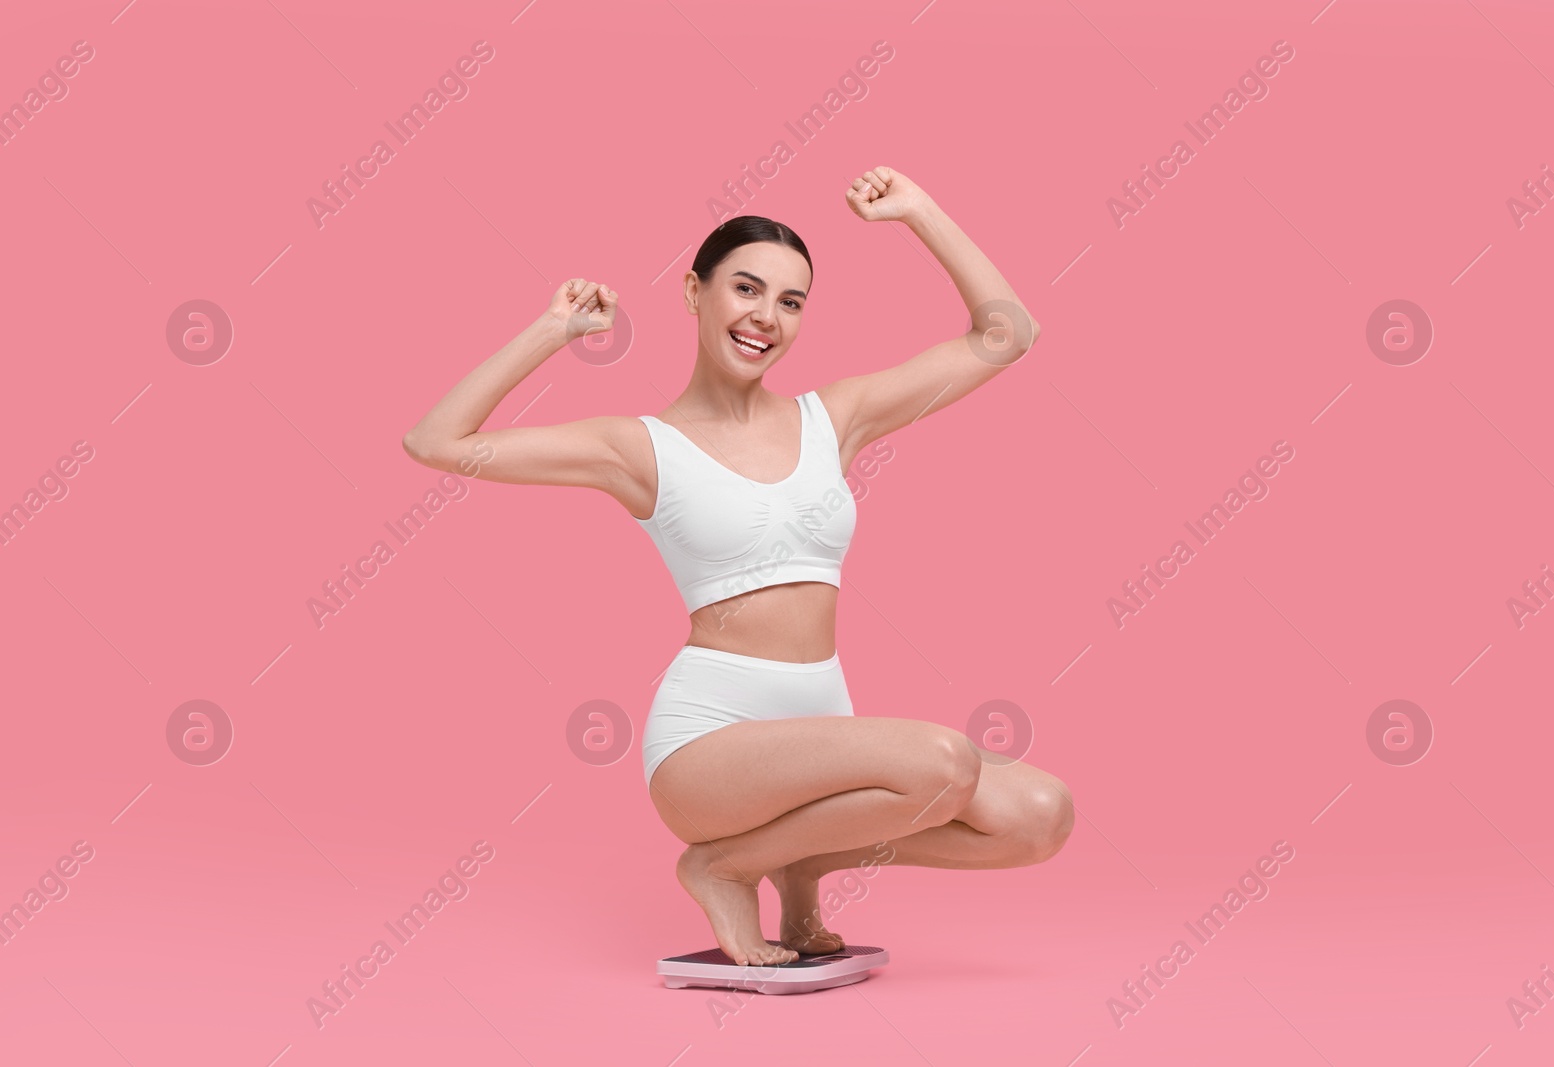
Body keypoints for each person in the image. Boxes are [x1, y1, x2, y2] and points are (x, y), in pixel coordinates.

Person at [403, 166, 1074, 968]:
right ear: (694, 293)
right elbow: (437, 441)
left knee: (1041, 812)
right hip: (710, 746)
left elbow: (1007, 336)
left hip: (823, 736)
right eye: (746, 289)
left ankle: (803, 857)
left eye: (791, 302)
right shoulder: (638, 447)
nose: (766, 317)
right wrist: (554, 330)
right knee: (944, 764)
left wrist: (919, 211)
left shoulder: (835, 418)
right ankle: (722, 862)